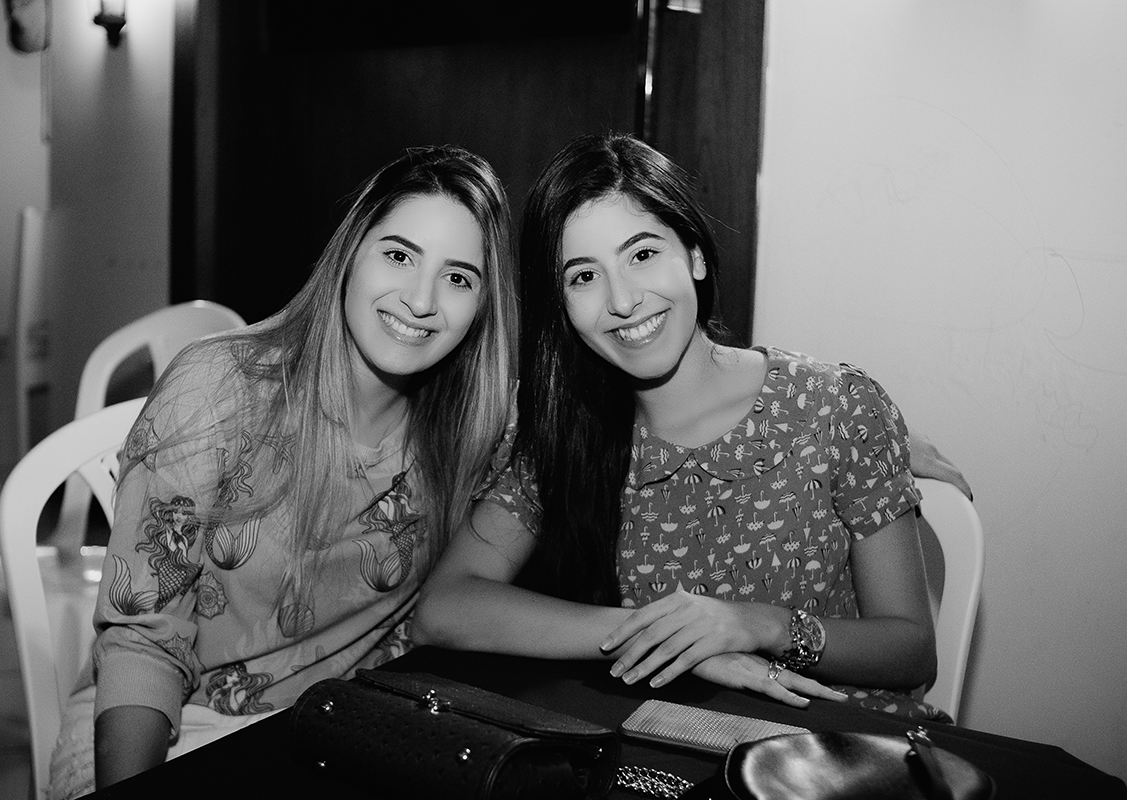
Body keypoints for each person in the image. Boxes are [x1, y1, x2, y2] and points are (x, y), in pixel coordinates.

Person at [414, 132, 952, 720]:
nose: (623, 300)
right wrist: (662, 635)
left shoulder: (834, 407)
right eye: (584, 276)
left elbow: (911, 652)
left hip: (829, 742)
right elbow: (443, 608)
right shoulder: (564, 435)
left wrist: (758, 625)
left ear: (694, 254)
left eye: (642, 255)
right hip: (662, 742)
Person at [48, 145, 518, 798]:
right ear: (351, 252)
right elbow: (141, 642)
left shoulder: (475, 430)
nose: (420, 299)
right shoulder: (220, 387)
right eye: (399, 255)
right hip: (176, 725)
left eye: (459, 278)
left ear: (483, 305)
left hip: (338, 734)